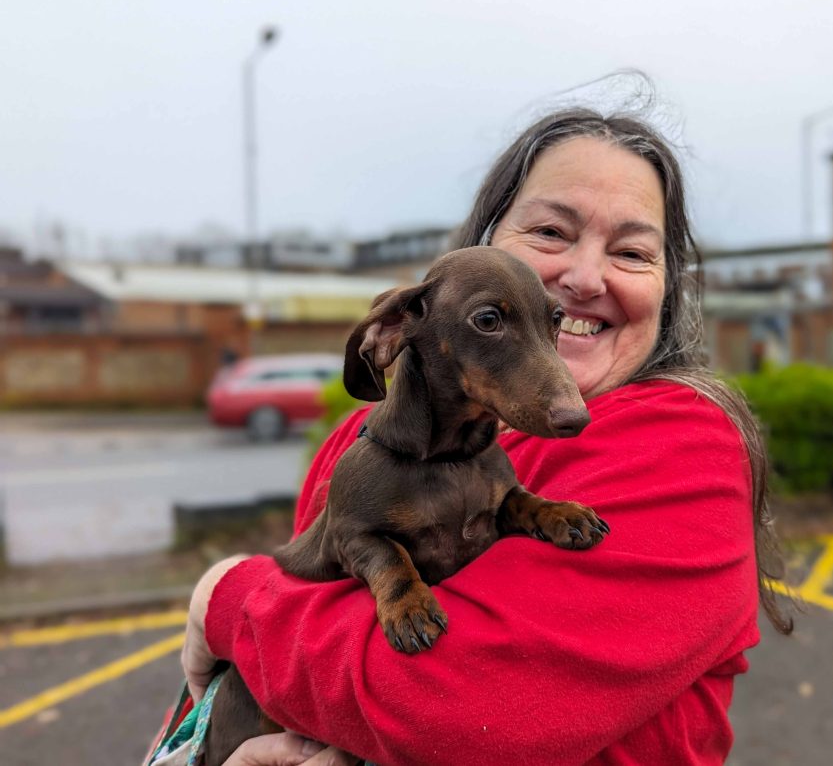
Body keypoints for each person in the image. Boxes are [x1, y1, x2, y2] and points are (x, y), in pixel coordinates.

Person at [180, 104, 792, 766]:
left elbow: (465, 713)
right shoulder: (362, 444)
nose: (585, 277)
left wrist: (227, 599)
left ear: (668, 291)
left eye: (633, 251)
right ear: (487, 241)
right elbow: (305, 636)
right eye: (553, 230)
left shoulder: (683, 449)